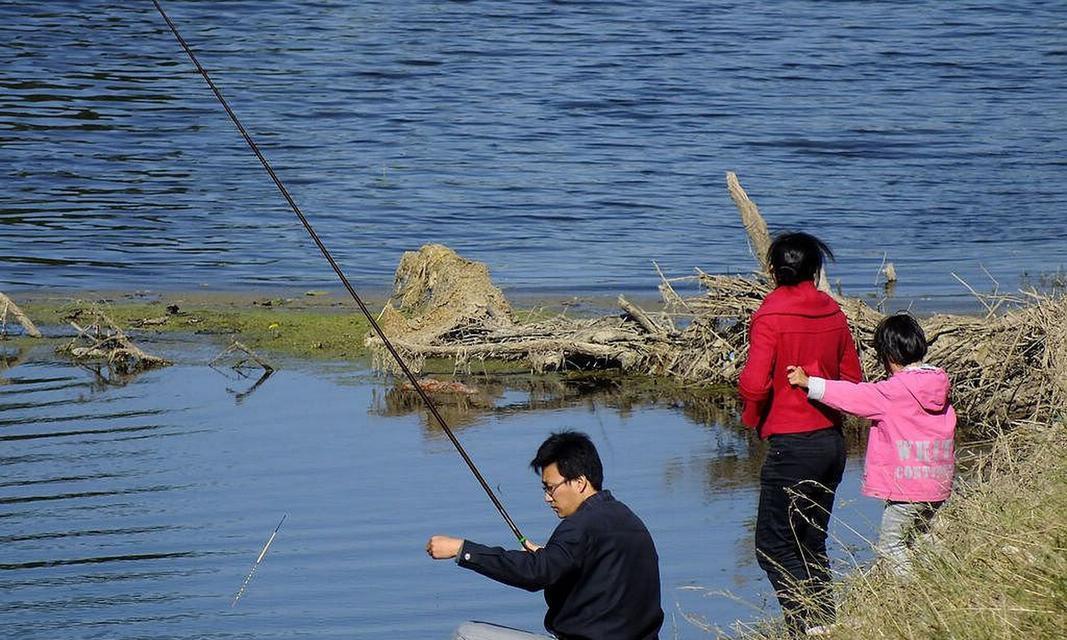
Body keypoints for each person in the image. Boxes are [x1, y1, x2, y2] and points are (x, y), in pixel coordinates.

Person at [737, 232, 862, 636]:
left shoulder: (770, 314)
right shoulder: (832, 312)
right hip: (830, 442)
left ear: (773, 271)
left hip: (791, 444)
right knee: (810, 542)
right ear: (815, 270)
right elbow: (852, 380)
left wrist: (753, 418)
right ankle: (825, 625)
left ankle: (805, 627)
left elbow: (754, 384)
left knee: (773, 546)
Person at [426, 430, 663, 640]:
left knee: (465, 633)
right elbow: (587, 575)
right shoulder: (627, 519)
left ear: (580, 482)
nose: (547, 498)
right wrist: (548, 557)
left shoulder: (580, 525)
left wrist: (462, 550)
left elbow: (536, 573)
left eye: (551, 487)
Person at [787, 312, 956, 576]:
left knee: (891, 546)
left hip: (906, 488)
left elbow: (852, 396)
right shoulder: (938, 386)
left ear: (887, 355)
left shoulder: (892, 392)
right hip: (937, 483)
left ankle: (910, 593)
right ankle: (948, 578)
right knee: (923, 537)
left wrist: (809, 383)